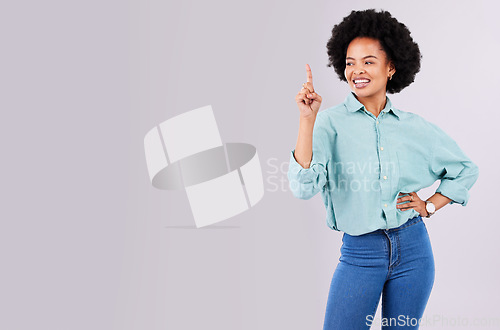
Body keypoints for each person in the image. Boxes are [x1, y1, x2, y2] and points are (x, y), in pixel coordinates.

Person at [287, 9, 479, 330]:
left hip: (414, 251)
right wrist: (307, 119)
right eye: (350, 62)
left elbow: (465, 169)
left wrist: (430, 205)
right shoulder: (329, 123)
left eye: (368, 61)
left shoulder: (414, 127)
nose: (357, 71)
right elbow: (302, 186)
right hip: (360, 255)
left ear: (391, 67)